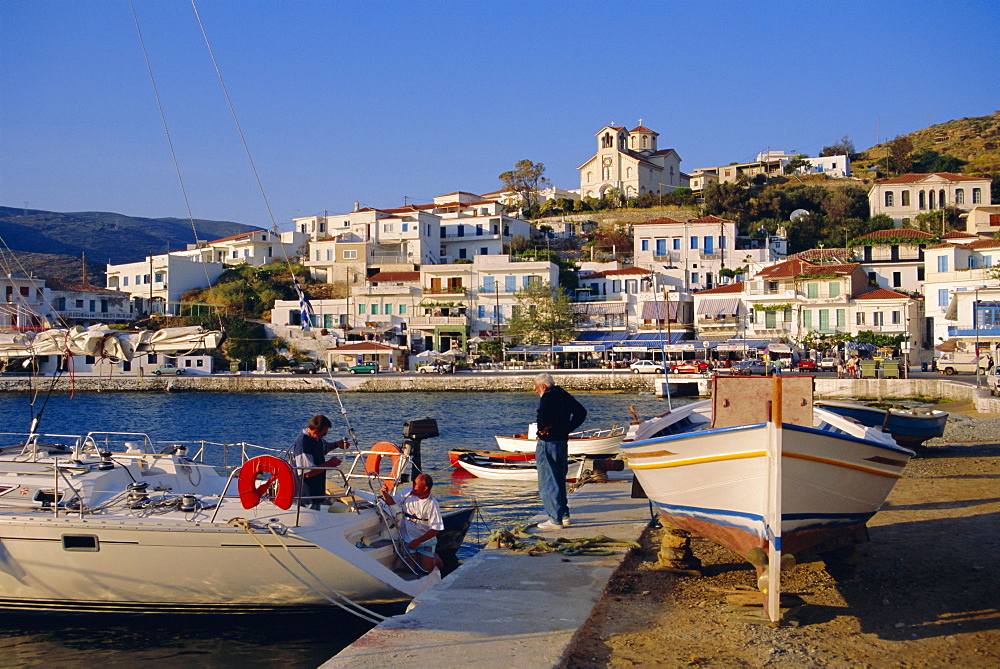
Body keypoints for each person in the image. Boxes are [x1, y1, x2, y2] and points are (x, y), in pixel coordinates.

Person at [532, 372, 587, 531]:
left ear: (543, 386)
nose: (536, 391)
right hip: (562, 441)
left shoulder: (547, 396)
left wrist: (542, 429)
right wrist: (567, 428)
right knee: (559, 478)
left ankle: (555, 519)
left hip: (548, 443)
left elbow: (542, 418)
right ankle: (564, 515)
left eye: (536, 388)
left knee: (548, 481)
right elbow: (581, 412)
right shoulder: (562, 393)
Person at [379, 473, 444, 572]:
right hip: (407, 539)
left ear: (425, 488)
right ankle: (417, 557)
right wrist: (385, 494)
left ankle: (435, 558)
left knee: (426, 570)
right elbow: (391, 501)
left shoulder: (432, 504)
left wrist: (418, 541)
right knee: (410, 569)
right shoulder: (407, 492)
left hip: (424, 541)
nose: (413, 486)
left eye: (416, 484)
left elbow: (436, 529)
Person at [289, 414, 349, 509]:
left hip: (316, 491)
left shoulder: (316, 438)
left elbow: (324, 448)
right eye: (324, 434)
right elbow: (307, 473)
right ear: (315, 431)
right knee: (308, 516)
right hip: (306, 496)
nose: (324, 436)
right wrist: (330, 464)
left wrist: (337, 444)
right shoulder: (303, 444)